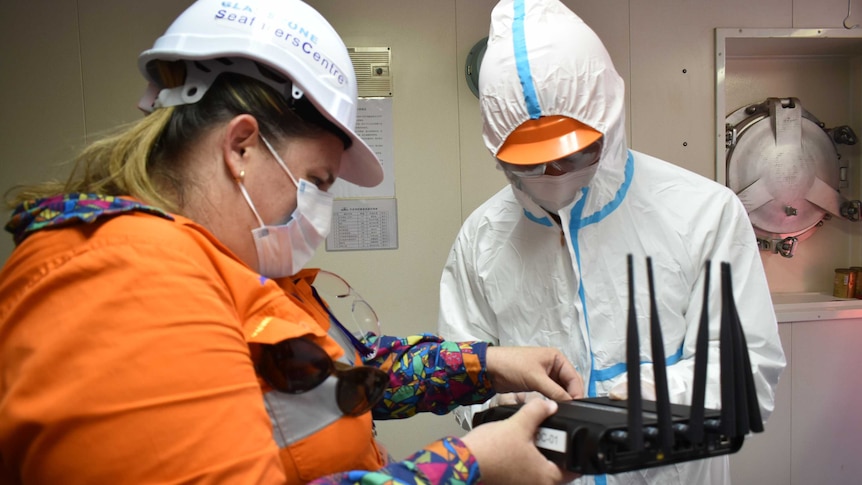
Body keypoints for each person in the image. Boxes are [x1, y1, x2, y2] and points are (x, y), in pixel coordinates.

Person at [0, 1, 586, 484]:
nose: (319, 215)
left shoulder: (221, 268)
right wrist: (469, 466)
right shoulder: (121, 281)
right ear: (242, 147)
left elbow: (338, 379)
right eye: (317, 183)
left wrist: (487, 364)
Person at [437, 1, 787, 484]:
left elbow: (748, 371)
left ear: (611, 121)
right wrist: (495, 399)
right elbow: (458, 374)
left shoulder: (705, 213)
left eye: (574, 154)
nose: (553, 175)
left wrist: (635, 402)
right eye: (530, 164)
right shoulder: (480, 238)